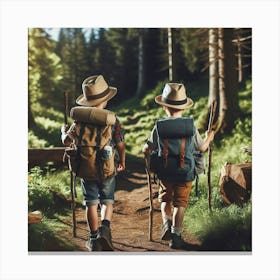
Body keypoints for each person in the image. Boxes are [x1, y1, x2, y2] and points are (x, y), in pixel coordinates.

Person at [142, 82, 214, 250]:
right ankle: (176, 235)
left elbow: (148, 148)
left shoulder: (159, 127)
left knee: (165, 199)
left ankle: (166, 223)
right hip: (185, 172)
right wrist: (209, 137)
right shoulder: (190, 127)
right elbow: (202, 148)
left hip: (165, 172)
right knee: (180, 203)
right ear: (184, 107)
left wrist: (146, 154)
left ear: (164, 107)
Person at [61, 75, 125, 251]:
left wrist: (62, 132)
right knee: (107, 200)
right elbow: (120, 144)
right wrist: (122, 161)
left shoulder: (79, 121)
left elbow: (67, 142)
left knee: (91, 203)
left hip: (85, 167)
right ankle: (105, 228)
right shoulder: (112, 119)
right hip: (108, 167)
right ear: (105, 100)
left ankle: (93, 238)